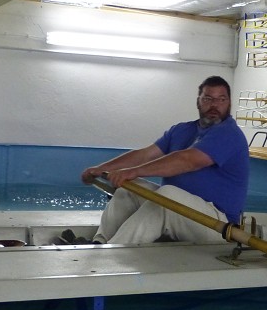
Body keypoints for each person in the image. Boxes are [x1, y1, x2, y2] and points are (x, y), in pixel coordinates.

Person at [74, 75, 248, 245]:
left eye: (221, 99)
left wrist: (134, 171)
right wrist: (102, 168)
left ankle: (111, 254)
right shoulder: (181, 130)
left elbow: (188, 160)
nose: (214, 105)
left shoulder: (229, 134)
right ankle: (100, 243)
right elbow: (145, 154)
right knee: (128, 190)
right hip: (184, 214)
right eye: (208, 99)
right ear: (198, 102)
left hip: (218, 224)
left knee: (167, 197)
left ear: (229, 103)